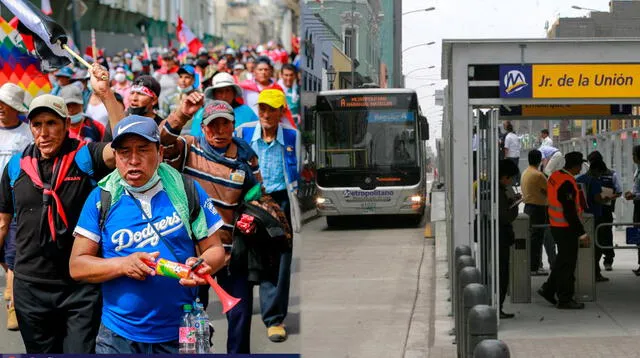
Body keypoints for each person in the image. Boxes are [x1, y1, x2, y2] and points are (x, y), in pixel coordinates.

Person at [69, 115, 226, 354]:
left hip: (181, 331)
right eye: (124, 152)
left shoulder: (186, 189)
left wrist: (202, 265)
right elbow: (77, 266)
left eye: (143, 150)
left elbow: (215, 250)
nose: (133, 160)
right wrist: (123, 265)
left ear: (160, 152)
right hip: (118, 339)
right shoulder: (101, 197)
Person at [160, 96, 288, 353]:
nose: (219, 131)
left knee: (240, 316)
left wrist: (256, 214)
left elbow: (257, 194)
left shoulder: (245, 156)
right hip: (190, 256)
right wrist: (182, 114)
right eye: (212, 125)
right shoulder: (189, 147)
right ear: (203, 127)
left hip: (231, 253)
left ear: (233, 125)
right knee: (190, 321)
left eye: (225, 125)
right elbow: (161, 140)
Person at [0, 83, 121, 352]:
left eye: (51, 123)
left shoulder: (84, 156)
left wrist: (106, 95)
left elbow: (122, 146)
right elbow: (2, 222)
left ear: (66, 124)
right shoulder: (16, 166)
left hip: (80, 288)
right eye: (37, 124)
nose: (44, 133)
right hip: (30, 288)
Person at [236, 89, 301, 342]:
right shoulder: (243, 133)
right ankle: (240, 308)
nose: (265, 114)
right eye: (262, 108)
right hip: (249, 201)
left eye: (271, 109)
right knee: (242, 256)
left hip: (279, 202)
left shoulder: (292, 137)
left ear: (281, 112)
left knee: (279, 259)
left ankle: (274, 319)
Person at [538, 152, 590, 310]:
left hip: (556, 225)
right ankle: (565, 298)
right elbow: (569, 211)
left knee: (562, 261)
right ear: (575, 166)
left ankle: (548, 289)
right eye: (580, 165)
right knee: (568, 265)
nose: (581, 168)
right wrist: (582, 233)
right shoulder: (567, 182)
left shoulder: (555, 176)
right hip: (566, 228)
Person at [0, 83, 32, 331]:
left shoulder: (28, 134)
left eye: (6, 105)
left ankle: (13, 303)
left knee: (14, 252)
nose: (1, 109)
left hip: (17, 201)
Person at [576, 158, 614, 282]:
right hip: (595, 217)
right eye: (600, 173)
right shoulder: (595, 181)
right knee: (596, 246)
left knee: (584, 245)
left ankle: (583, 271)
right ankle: (596, 273)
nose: (600, 175)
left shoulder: (579, 179)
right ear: (596, 170)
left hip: (582, 216)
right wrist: (607, 199)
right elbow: (597, 199)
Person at [190, 72, 258, 136]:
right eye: (220, 91)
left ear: (234, 93)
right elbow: (196, 137)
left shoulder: (246, 111)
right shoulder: (203, 113)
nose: (224, 95)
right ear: (214, 94)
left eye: (228, 90)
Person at [588, 151, 622, 272]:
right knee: (594, 234)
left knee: (607, 234)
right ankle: (594, 261)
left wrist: (609, 198)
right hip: (593, 210)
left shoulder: (611, 174)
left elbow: (619, 191)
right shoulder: (589, 175)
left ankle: (608, 260)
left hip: (606, 209)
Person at [498, 159, 520, 319]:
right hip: (501, 239)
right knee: (502, 273)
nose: (512, 181)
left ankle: (498, 306)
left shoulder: (497, 189)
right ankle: (497, 306)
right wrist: (515, 206)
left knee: (502, 272)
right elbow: (504, 216)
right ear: (505, 177)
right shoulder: (499, 191)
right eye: (511, 178)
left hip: (500, 238)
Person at [521, 149, 548, 276]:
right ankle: (534, 267)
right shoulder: (538, 175)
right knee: (537, 239)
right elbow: (549, 191)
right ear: (540, 160)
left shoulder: (525, 173)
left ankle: (531, 265)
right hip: (538, 209)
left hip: (528, 208)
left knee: (531, 238)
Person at [624, 145, 640, 276]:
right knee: (637, 234)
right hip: (637, 204)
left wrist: (635, 195)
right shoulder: (637, 170)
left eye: (634, 155)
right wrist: (632, 193)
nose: (632, 157)